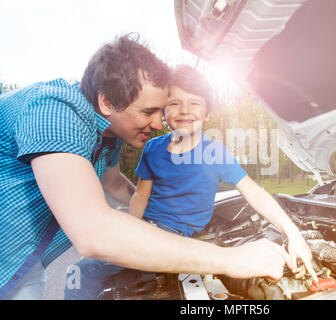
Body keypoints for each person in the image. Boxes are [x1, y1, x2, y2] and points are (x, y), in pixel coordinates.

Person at [0, 34, 295, 300]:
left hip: (25, 264)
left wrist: (148, 227)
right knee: (83, 275)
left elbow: (114, 183)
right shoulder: (54, 111)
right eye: (149, 111)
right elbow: (93, 232)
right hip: (5, 261)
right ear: (106, 102)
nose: (158, 124)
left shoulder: (108, 136)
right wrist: (232, 260)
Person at [64, 64, 318, 299]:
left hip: (178, 237)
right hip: (148, 229)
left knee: (82, 272)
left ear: (207, 114)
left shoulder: (215, 153)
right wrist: (132, 229)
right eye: (174, 103)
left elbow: (254, 192)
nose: (184, 110)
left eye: (194, 103)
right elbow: (141, 194)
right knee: (80, 274)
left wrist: (293, 234)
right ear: (163, 112)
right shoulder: (152, 147)